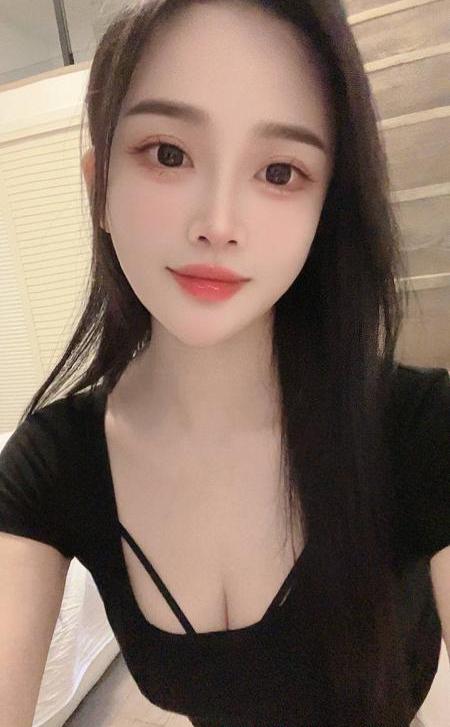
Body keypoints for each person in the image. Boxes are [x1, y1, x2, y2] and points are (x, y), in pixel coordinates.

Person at [1, 1, 449, 725]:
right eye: (168, 154)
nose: (218, 223)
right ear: (99, 188)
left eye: (279, 170)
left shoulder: (420, 429)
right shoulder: (51, 464)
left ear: (325, 209)